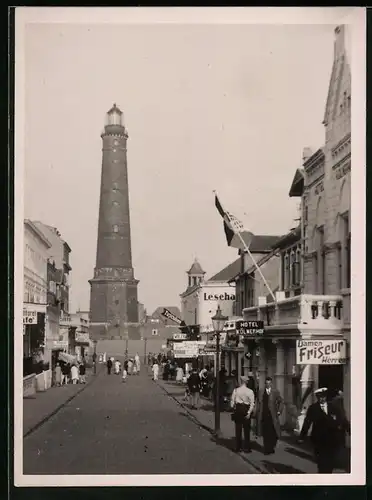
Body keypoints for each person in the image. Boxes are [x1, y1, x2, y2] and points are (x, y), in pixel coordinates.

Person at [299, 387, 350, 473]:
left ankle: (327, 474)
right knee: (321, 461)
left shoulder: (333, 407)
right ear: (317, 397)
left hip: (332, 439)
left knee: (330, 460)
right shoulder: (313, 408)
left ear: (326, 397)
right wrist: (302, 436)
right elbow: (307, 422)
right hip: (319, 439)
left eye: (323, 397)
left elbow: (342, 419)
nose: (322, 399)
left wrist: (349, 429)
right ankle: (323, 474)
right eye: (320, 397)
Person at [256, 376, 284, 455]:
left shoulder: (275, 392)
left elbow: (281, 401)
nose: (268, 385)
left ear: (271, 383)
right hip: (264, 414)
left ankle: (272, 446)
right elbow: (258, 402)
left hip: (273, 415)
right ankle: (266, 449)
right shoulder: (261, 391)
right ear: (265, 384)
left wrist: (279, 411)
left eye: (269, 383)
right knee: (265, 432)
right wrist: (256, 412)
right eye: (266, 383)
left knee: (273, 433)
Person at [231, 375, 255, 453]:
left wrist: (234, 407)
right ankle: (247, 448)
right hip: (246, 409)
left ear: (241, 382)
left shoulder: (236, 390)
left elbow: (232, 402)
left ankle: (238, 447)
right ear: (246, 382)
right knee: (247, 430)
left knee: (238, 429)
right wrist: (249, 413)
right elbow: (252, 404)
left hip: (238, 409)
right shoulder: (250, 391)